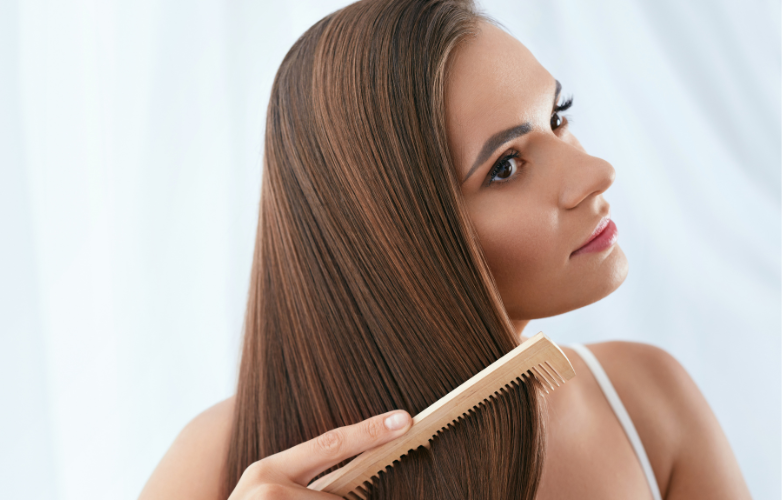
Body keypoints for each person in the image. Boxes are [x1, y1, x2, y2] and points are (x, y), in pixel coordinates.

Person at [138, 1, 751, 499]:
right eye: (507, 166)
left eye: (558, 115)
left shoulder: (650, 404)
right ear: (391, 239)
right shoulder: (217, 465)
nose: (596, 171)